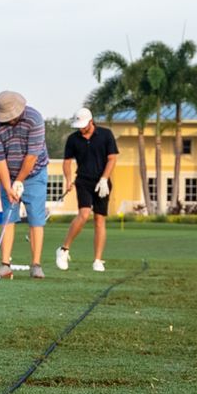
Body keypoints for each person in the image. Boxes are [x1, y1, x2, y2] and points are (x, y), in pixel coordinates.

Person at [0, 91, 49, 279]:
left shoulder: (34, 119)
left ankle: (36, 265)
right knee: (8, 218)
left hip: (35, 174)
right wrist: (8, 187)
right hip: (9, 175)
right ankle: (5, 265)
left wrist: (19, 181)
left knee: (36, 219)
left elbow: (32, 156)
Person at [55, 106, 119, 273]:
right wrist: (68, 180)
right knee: (84, 214)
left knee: (99, 220)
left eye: (83, 125)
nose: (81, 129)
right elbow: (67, 162)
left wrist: (105, 178)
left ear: (91, 122)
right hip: (83, 181)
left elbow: (112, 159)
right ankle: (64, 249)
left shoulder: (106, 135)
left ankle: (98, 260)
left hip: (102, 183)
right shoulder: (73, 139)